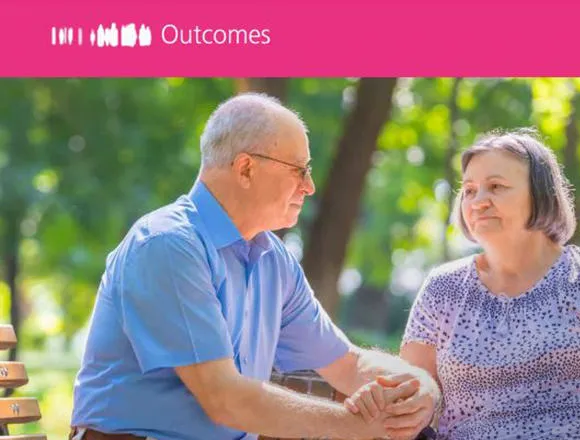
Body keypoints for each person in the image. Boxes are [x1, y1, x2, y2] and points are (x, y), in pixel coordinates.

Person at [69, 92, 439, 440]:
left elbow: (348, 365)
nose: (309, 186)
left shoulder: (273, 260)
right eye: (299, 170)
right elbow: (224, 398)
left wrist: (417, 386)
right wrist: (353, 425)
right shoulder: (168, 245)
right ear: (245, 168)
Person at [357, 128, 580, 440]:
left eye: (497, 186)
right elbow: (417, 383)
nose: (478, 201)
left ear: (540, 195)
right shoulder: (443, 288)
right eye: (469, 190)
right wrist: (412, 396)